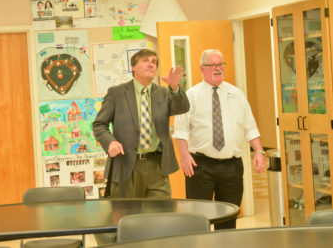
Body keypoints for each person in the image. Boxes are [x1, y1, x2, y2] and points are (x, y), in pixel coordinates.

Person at [173, 49, 266, 229]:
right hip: (200, 167)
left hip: (231, 167)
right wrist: (184, 156)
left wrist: (259, 151)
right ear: (202, 68)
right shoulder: (190, 96)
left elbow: (250, 125)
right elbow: (180, 129)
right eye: (212, 65)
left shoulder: (237, 94)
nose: (218, 68)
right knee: (199, 220)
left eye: (221, 64)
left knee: (228, 219)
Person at [93, 49, 189, 198]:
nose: (151, 64)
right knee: (127, 217)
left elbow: (182, 108)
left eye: (154, 62)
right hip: (126, 165)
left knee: (160, 217)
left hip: (157, 166)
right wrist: (110, 143)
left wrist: (175, 88)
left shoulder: (164, 93)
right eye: (145, 60)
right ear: (133, 66)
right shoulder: (117, 93)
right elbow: (99, 124)